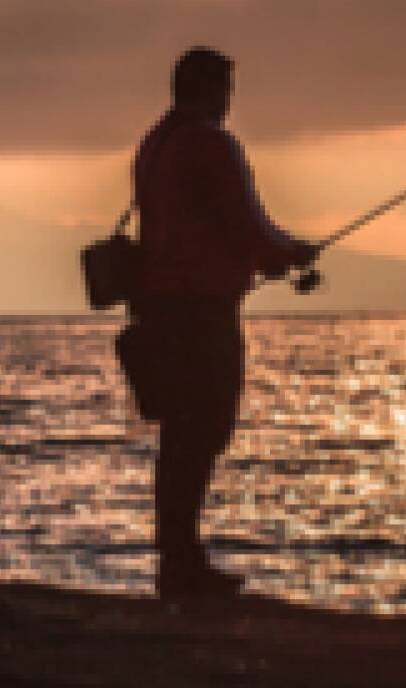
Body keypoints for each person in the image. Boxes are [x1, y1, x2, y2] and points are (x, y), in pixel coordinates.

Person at [132, 46, 315, 597]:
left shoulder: (155, 144)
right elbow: (246, 224)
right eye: (227, 92)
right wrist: (290, 254)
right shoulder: (211, 144)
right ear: (210, 91)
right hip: (202, 312)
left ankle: (176, 557)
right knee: (204, 427)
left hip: (160, 308)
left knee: (180, 432)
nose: (230, 104)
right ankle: (183, 564)